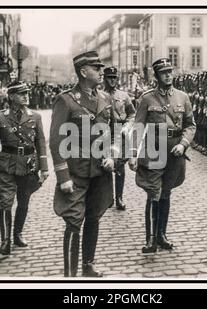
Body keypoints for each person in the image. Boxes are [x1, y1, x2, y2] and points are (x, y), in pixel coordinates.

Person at [49, 51, 115, 277]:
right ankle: (70, 275)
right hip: (76, 172)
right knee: (74, 222)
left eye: (100, 68)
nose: (100, 72)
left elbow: (114, 133)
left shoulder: (106, 98)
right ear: (83, 71)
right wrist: (63, 177)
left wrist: (112, 155)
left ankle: (88, 265)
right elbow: (57, 141)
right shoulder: (66, 100)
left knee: (94, 218)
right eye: (96, 68)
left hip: (100, 171)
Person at [129, 58, 196, 253]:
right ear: (157, 76)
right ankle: (150, 239)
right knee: (153, 194)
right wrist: (133, 153)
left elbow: (190, 125)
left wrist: (183, 144)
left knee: (166, 193)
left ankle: (162, 235)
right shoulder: (147, 98)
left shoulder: (183, 97)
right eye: (163, 72)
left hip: (175, 152)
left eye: (169, 71)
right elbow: (138, 127)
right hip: (153, 150)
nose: (168, 75)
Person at [0, 80, 49, 255]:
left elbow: (41, 143)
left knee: (24, 200)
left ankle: (17, 234)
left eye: (26, 92)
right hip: (6, 165)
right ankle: (5, 241)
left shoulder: (35, 117)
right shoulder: (0, 117)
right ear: (11, 96)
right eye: (21, 93)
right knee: (6, 201)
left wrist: (44, 167)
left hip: (28, 165)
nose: (26, 96)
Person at [103, 66, 136, 210]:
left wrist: (127, 127)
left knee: (120, 167)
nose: (112, 80)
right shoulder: (98, 95)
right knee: (106, 165)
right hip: (105, 133)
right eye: (110, 78)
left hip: (120, 132)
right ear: (104, 78)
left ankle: (119, 198)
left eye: (114, 78)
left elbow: (132, 114)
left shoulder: (124, 96)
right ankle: (107, 197)